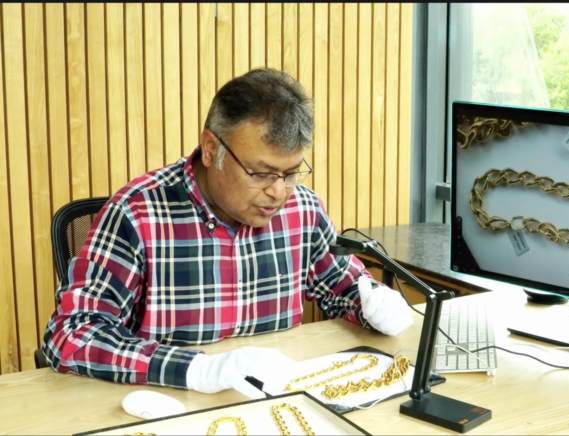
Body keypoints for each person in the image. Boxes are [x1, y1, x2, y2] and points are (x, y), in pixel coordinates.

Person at [42, 68, 413, 399]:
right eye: (261, 173)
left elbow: (345, 287)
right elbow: (72, 335)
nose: (279, 192)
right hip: (172, 406)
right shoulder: (137, 215)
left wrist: (373, 304)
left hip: (277, 404)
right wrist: (197, 369)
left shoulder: (302, 208)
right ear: (210, 149)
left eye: (291, 172)